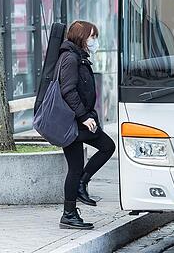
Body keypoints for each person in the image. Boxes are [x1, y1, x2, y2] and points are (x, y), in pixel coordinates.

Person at [57, 20, 116, 230]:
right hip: (73, 122)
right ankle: (70, 210)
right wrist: (84, 116)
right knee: (103, 149)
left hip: (79, 121)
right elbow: (68, 91)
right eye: (92, 36)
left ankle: (74, 201)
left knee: (79, 164)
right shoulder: (70, 58)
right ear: (81, 37)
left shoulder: (79, 57)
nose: (94, 41)